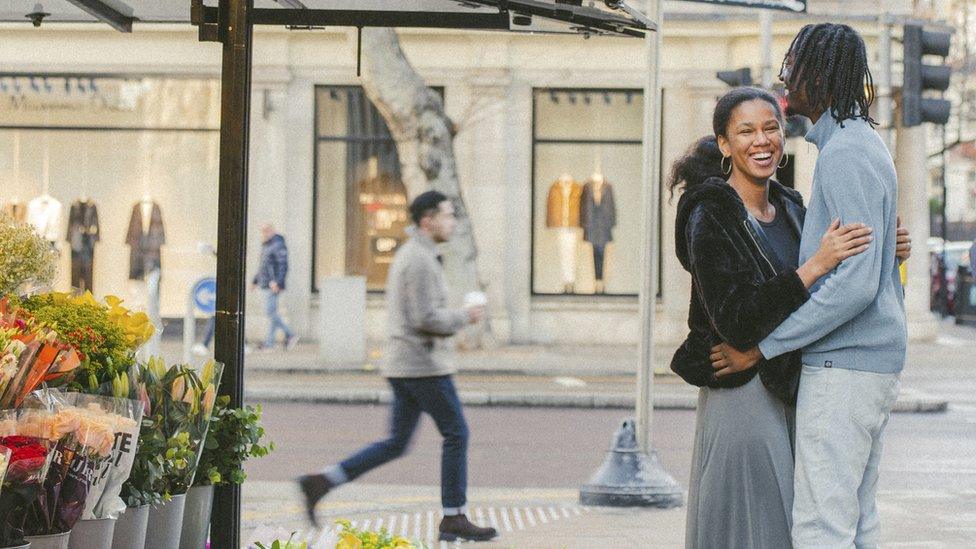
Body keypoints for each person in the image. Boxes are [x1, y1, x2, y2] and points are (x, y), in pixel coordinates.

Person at [710, 23, 909, 547]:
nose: (784, 76)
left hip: (844, 366)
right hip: (866, 363)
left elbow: (854, 286)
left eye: (793, 64)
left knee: (821, 526)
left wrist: (763, 346)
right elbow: (868, 264)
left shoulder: (845, 153)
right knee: (856, 521)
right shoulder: (860, 145)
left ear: (819, 74)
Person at [670, 87, 884, 548]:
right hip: (742, 398)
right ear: (725, 144)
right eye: (745, 131)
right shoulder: (711, 214)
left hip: (788, 387)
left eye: (770, 128)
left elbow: (830, 288)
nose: (761, 140)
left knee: (789, 527)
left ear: (784, 135)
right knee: (756, 529)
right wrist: (814, 267)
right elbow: (737, 323)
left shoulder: (790, 208)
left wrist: (888, 247)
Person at [297, 191, 497, 543]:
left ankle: (323, 481)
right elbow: (425, 317)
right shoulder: (417, 259)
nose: (452, 222)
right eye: (448, 216)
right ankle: (454, 516)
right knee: (456, 433)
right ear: (427, 220)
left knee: (396, 442)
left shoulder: (418, 255)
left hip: (407, 364)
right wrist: (464, 316)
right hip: (422, 365)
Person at [252, 224, 298, 351]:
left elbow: (283, 265)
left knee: (270, 312)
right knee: (272, 313)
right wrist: (255, 281)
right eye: (262, 231)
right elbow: (264, 265)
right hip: (267, 283)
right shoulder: (267, 245)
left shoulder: (277, 245)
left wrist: (277, 282)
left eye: (266, 231)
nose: (264, 234)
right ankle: (269, 343)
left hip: (272, 285)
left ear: (272, 231)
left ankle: (290, 334)